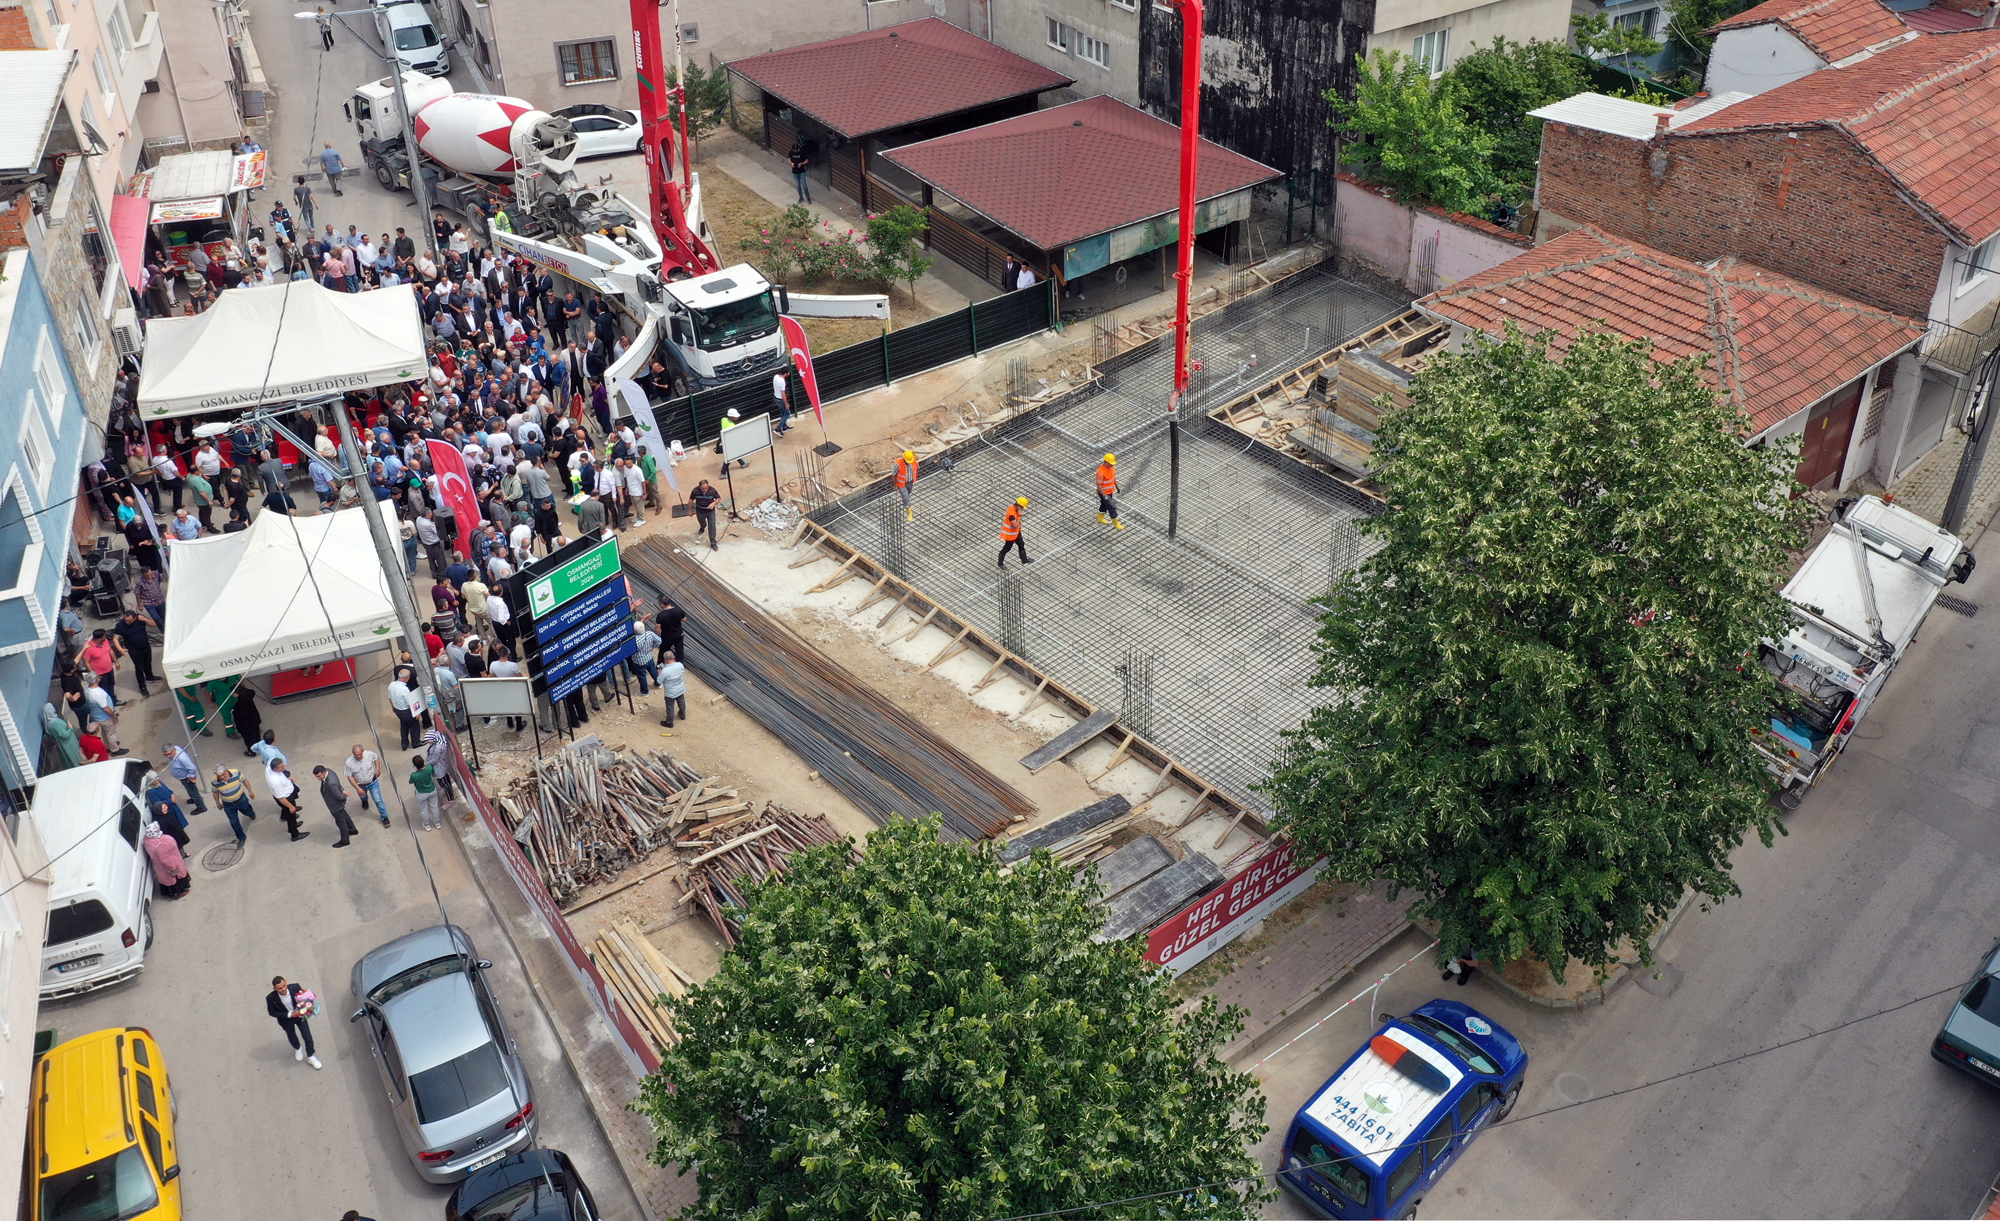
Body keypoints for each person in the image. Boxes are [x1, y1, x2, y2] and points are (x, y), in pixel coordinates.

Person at [267, 976, 322, 1068]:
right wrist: (289, 1014)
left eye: (284, 986)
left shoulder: (295, 987)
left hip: (300, 1016)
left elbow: (303, 999)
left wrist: (306, 1008)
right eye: (280, 988)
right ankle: (297, 1048)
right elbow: (272, 1012)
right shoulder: (271, 998)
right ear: (275, 989)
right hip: (286, 1020)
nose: (283, 989)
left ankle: (311, 1056)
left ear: (286, 982)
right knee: (291, 1035)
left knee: (307, 1036)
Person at [112, 609, 159, 698]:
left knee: (148, 662)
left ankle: (149, 676)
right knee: (139, 668)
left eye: (129, 621)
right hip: (134, 650)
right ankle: (142, 686)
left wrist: (145, 619)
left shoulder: (140, 619)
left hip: (145, 646)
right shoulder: (121, 625)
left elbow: (154, 624)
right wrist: (120, 649)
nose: (127, 622)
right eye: (126, 620)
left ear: (134, 618)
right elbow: (115, 639)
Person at [313, 765, 359, 847]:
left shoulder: (331, 783)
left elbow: (339, 796)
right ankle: (352, 829)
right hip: (337, 804)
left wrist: (344, 795)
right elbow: (338, 786)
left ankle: (345, 840)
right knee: (344, 816)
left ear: (324, 773)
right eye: (317, 777)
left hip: (335, 805)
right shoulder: (329, 771)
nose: (318, 778)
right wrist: (342, 790)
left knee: (340, 822)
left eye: (319, 776)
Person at [143, 823, 191, 900]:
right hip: (170, 866)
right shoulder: (161, 844)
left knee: (167, 880)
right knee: (175, 879)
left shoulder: (147, 840)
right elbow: (166, 859)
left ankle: (169, 892)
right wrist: (173, 867)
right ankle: (178, 893)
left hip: (159, 866)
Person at [212, 765, 257, 843]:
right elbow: (215, 792)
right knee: (234, 822)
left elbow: (244, 780)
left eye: (223, 774)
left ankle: (250, 813)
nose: (222, 777)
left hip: (241, 799)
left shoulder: (235, 772)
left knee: (246, 810)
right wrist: (217, 802)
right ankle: (241, 838)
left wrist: (250, 791)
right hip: (228, 805)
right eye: (219, 776)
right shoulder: (214, 781)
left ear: (226, 771)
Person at [143, 774, 190, 850]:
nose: (157, 781)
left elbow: (167, 789)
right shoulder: (151, 792)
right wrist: (170, 801)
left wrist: (172, 794)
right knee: (175, 829)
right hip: (169, 808)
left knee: (179, 824)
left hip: (173, 806)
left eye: (158, 779)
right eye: (155, 780)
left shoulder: (159, 783)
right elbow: (158, 804)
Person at [345, 745, 389, 826]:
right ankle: (364, 800)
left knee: (378, 800)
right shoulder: (349, 762)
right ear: (352, 753)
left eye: (359, 754)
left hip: (373, 782)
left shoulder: (369, 754)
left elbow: (376, 758)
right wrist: (358, 788)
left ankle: (384, 817)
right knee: (362, 796)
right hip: (360, 785)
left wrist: (378, 769)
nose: (358, 756)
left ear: (363, 751)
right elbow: (350, 776)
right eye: (356, 755)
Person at [84, 677, 125, 756]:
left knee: (104, 732)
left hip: (96, 715)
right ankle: (115, 750)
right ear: (96, 680)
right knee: (111, 734)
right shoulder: (98, 693)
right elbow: (106, 708)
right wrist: (114, 716)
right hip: (105, 717)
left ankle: (108, 746)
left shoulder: (87, 689)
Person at [268, 760, 307, 841]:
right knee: (291, 816)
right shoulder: (275, 782)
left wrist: (288, 779)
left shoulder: (269, 769)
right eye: (282, 767)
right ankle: (295, 834)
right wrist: (291, 806)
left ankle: (292, 826)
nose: (284, 767)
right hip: (286, 798)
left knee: (288, 814)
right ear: (275, 769)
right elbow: (281, 798)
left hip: (285, 796)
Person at [163, 743, 209, 813]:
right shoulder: (175, 748)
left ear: (174, 750)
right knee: (191, 790)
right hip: (183, 778)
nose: (168, 756)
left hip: (186, 778)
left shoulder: (182, 758)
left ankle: (201, 807)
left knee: (193, 792)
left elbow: (192, 768)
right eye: (166, 755)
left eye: (169, 754)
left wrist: (191, 776)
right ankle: (194, 799)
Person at [389, 669, 423, 749]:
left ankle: (404, 744)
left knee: (404, 726)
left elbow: (390, 697)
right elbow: (409, 703)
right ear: (407, 677)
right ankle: (416, 742)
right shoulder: (404, 689)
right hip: (406, 711)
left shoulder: (392, 685)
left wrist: (393, 706)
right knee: (414, 726)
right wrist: (416, 713)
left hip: (398, 710)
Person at [230, 680, 264, 757]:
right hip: (254, 720)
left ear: (237, 692)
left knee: (249, 739)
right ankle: (260, 748)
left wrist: (234, 711)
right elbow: (252, 691)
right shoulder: (248, 694)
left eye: (233, 692)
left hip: (247, 724)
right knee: (256, 734)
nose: (232, 694)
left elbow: (241, 714)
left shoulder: (241, 702)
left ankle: (252, 752)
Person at [410, 754, 442, 830]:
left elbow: (410, 782)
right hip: (432, 790)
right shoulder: (429, 768)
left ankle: (427, 825)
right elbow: (433, 772)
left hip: (421, 793)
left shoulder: (414, 775)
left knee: (424, 810)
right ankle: (437, 823)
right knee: (434, 807)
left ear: (415, 765)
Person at [998, 496, 1032, 568]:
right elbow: (1015, 526)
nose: (1023, 509)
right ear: (1019, 506)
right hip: (1010, 534)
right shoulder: (1012, 515)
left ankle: (1024, 560)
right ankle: (1000, 563)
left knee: (1021, 544)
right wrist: (1019, 516)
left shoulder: (1011, 506)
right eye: (1022, 507)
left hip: (1016, 533)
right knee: (1007, 548)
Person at [658, 650, 688, 728]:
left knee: (670, 707)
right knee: (681, 703)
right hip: (680, 689)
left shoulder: (665, 671)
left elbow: (659, 681)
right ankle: (682, 714)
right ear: (674, 657)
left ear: (665, 659)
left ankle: (669, 722)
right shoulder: (680, 665)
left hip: (670, 693)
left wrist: (659, 673)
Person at [688, 479, 720, 549]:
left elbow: (718, 498)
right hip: (700, 511)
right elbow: (691, 500)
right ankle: (702, 527)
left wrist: (713, 503)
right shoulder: (695, 491)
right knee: (701, 521)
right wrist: (690, 510)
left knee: (712, 526)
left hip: (710, 512)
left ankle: (713, 543)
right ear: (700, 487)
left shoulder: (712, 490)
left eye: (706, 488)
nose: (705, 490)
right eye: (703, 489)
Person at [1096, 451, 1123, 529]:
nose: (1112, 464)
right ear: (1106, 462)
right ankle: (1116, 523)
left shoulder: (1111, 469)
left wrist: (1117, 486)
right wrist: (1104, 495)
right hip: (1104, 493)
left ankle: (1100, 518)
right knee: (1112, 507)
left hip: (1110, 491)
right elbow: (1099, 485)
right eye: (1111, 463)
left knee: (1104, 505)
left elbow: (1113, 477)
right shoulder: (1100, 472)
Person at [895, 450, 919, 522]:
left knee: (908, 494)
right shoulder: (898, 463)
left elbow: (917, 468)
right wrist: (895, 485)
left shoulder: (913, 460)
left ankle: (907, 504)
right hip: (901, 484)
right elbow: (893, 474)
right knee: (906, 498)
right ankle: (909, 513)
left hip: (910, 482)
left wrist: (915, 478)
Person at [771, 370, 792, 435]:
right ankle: (778, 428)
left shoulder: (776, 376)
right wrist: (786, 403)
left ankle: (784, 427)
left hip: (776, 398)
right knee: (787, 413)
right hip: (780, 400)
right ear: (785, 373)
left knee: (782, 413)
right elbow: (783, 393)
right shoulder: (782, 381)